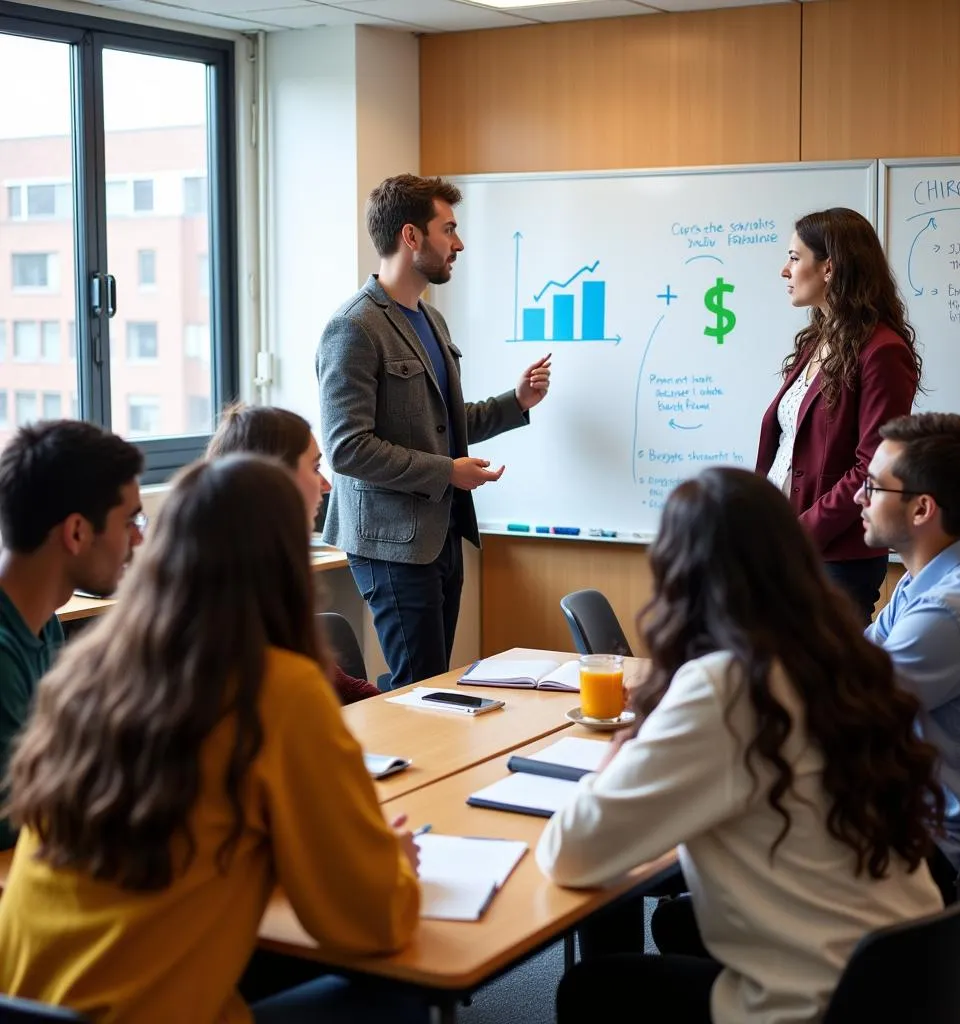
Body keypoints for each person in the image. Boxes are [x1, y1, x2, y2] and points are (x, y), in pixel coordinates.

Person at [0, 454, 425, 1023]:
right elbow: (372, 921)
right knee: (396, 991)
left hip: (25, 1010)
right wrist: (390, 864)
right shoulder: (278, 688)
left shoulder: (91, 669)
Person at [536, 467, 945, 1024]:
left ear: (682, 574)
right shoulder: (841, 659)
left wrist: (615, 760)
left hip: (821, 1002)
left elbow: (571, 853)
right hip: (909, 977)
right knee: (673, 927)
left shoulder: (728, 685)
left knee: (594, 989)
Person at [316, 173, 551, 689]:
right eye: (449, 229)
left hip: (440, 534)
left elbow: (441, 423)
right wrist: (448, 471)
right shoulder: (353, 329)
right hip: (391, 543)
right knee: (419, 689)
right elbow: (346, 448)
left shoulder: (431, 320)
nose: (459, 243)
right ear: (410, 236)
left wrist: (517, 403)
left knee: (435, 685)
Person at [860, 412, 960, 903]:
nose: (856, 498)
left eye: (872, 487)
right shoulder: (940, 578)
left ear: (920, 510)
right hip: (945, 830)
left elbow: (840, 711)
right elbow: (852, 661)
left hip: (953, 863)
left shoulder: (949, 612)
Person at [756, 207, 922, 625]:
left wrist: (800, 533)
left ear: (829, 267)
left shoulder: (882, 351)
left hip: (834, 557)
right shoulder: (819, 341)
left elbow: (873, 466)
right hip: (782, 544)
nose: (784, 270)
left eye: (794, 257)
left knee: (826, 686)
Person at [0, 420, 144, 850]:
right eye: (130, 522)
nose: (138, 539)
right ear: (77, 532)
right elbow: (18, 814)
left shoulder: (43, 622)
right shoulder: (4, 655)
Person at [206, 402, 380, 703]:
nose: (326, 485)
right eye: (314, 468)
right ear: (275, 477)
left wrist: (380, 701)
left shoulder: (254, 562)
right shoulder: (235, 587)